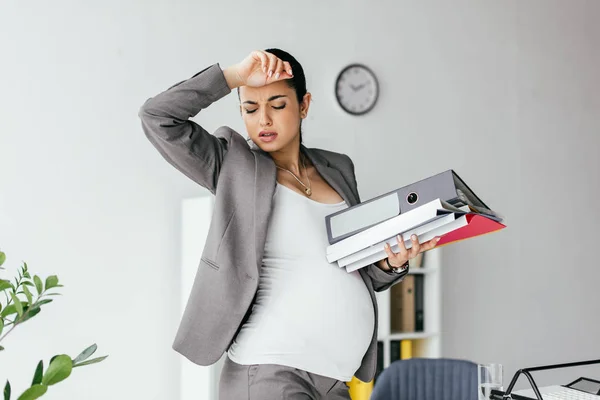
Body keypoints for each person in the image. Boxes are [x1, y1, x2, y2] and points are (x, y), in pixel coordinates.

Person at [138, 48, 440, 400]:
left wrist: (391, 262)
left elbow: (354, 265)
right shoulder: (232, 163)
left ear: (304, 105)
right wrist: (234, 75)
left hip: (336, 380)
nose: (263, 120)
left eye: (278, 106)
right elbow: (157, 117)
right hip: (270, 371)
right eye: (251, 109)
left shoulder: (338, 168)